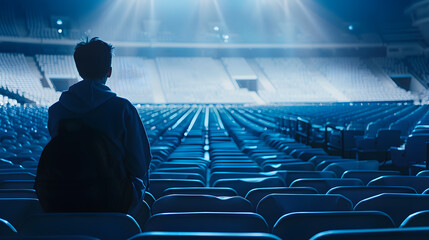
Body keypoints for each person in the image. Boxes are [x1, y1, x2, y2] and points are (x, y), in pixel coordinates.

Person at [47, 37, 151, 216]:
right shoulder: (123, 108)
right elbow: (140, 164)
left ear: (79, 70)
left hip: (65, 198)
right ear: (109, 71)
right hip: (114, 200)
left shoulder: (56, 111)